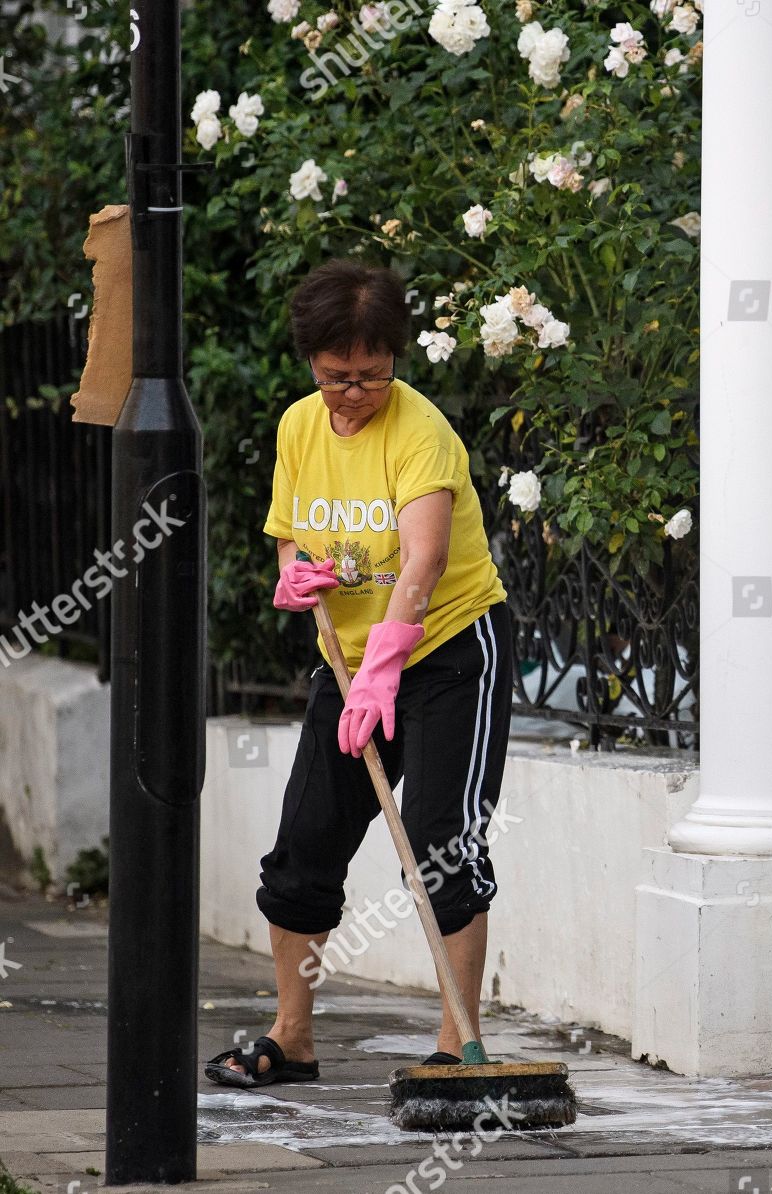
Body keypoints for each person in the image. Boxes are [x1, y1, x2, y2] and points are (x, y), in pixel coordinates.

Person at [205, 259, 513, 1086]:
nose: (353, 394)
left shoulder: (421, 433)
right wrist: (295, 569)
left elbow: (425, 560)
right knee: (304, 849)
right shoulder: (298, 427)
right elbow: (289, 533)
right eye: (338, 378)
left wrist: (387, 664)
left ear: (394, 362)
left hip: (449, 650)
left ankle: (458, 1045)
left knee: (443, 842)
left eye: (372, 378)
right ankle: (292, 1037)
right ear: (311, 361)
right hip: (347, 663)